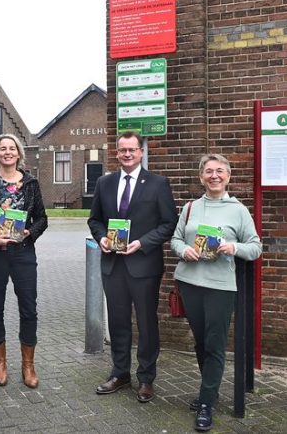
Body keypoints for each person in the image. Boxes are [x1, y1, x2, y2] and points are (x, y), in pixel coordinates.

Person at [170, 153, 262, 432]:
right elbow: (175, 239)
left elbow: (255, 247)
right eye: (208, 171)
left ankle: (207, 402)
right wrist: (183, 249)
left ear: (228, 176)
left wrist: (234, 248)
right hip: (190, 283)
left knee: (215, 345)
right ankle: (210, 390)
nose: (214, 176)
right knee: (200, 342)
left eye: (219, 171)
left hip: (220, 286)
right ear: (201, 177)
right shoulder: (189, 208)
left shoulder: (238, 210)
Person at [87, 131, 178, 403]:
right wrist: (101, 237)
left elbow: (168, 223)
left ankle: (146, 378)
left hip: (144, 265)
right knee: (117, 322)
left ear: (141, 152)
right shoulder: (104, 183)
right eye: (122, 150)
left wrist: (142, 242)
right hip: (113, 265)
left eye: (132, 150)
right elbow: (95, 220)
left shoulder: (158, 184)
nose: (127, 154)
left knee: (147, 324)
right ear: (117, 153)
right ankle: (120, 373)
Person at [0, 133, 48, 388]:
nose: (7, 152)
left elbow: (42, 219)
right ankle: (0, 362)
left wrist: (29, 232)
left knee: (28, 308)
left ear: (18, 153)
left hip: (23, 252)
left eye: (11, 148)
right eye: (2, 149)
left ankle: (28, 365)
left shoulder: (31, 183)